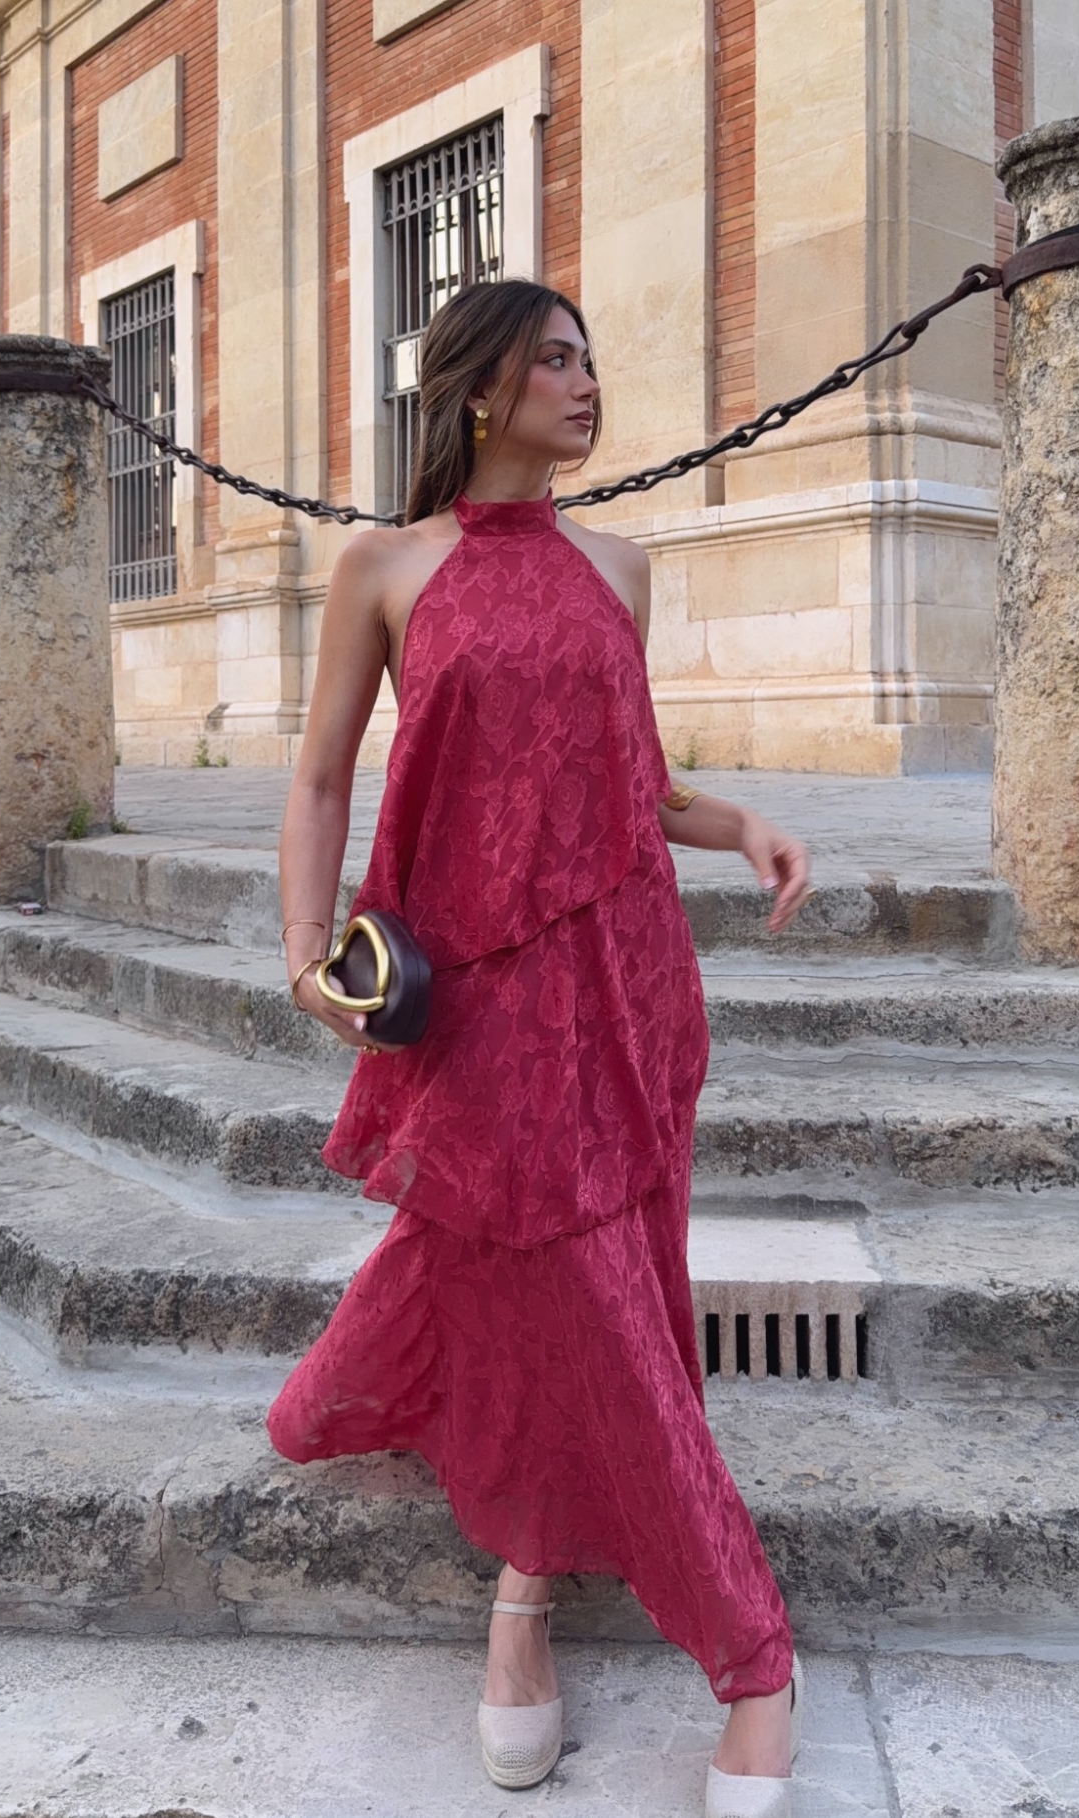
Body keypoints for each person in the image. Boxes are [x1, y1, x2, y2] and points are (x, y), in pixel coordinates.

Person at [268, 277, 812, 1818]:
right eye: (554, 360)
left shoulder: (618, 568)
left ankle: (727, 1654)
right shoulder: (384, 567)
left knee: (605, 1284)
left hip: (625, 980)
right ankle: (568, 1591)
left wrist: (740, 823)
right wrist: (305, 951)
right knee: (551, 1276)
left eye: (587, 358)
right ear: (478, 389)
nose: (585, 384)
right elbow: (321, 778)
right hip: (476, 992)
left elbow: (634, 781)